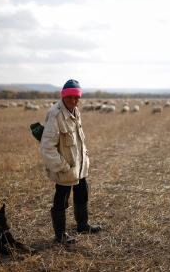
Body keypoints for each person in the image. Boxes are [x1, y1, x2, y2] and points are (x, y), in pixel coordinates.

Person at [40, 79, 101, 244]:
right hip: (65, 168)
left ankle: (83, 224)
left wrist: (84, 158)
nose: (73, 101)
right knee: (62, 198)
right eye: (69, 98)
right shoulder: (55, 114)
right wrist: (62, 166)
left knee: (83, 192)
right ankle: (60, 235)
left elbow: (78, 139)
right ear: (63, 96)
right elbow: (47, 147)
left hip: (79, 165)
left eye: (76, 98)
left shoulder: (75, 111)